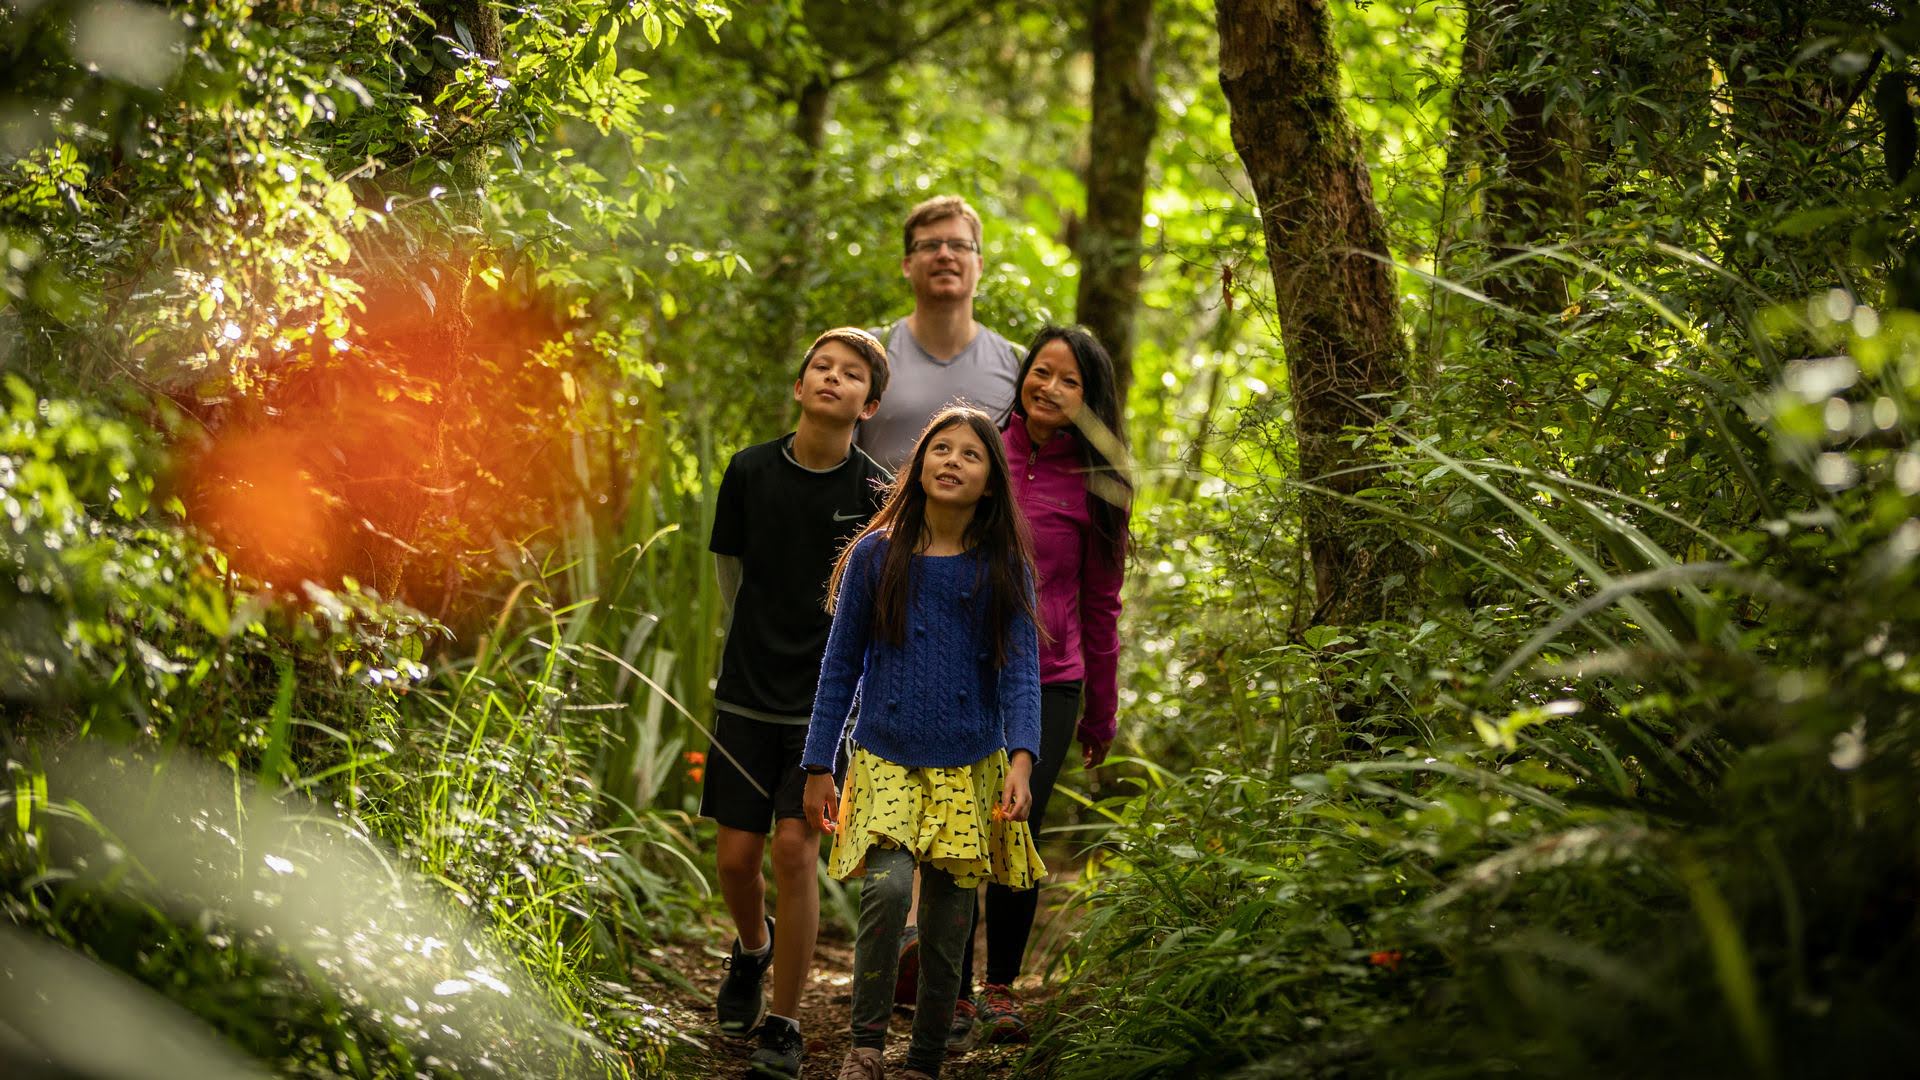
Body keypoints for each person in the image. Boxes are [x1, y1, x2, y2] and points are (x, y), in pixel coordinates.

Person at [801, 406, 1047, 1080]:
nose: (953, 461)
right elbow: (839, 665)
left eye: (972, 455)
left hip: (970, 763)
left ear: (991, 482)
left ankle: (927, 1057)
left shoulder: (1003, 567)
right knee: (885, 890)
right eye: (941, 448)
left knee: (949, 918)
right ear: (918, 465)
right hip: (883, 753)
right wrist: (820, 761)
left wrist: (1022, 759)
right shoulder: (877, 556)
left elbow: (1022, 670)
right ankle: (866, 1045)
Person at [703, 327, 892, 1079]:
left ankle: (783, 1024)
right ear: (800, 384)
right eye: (821, 367)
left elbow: (875, 603)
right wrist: (751, 645)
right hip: (747, 692)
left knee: (794, 850)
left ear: (869, 404)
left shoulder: (878, 491)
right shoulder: (749, 470)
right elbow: (731, 572)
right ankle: (753, 949)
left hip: (824, 706)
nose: (833, 379)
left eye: (851, 375)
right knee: (736, 858)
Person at [957, 324, 1133, 1045]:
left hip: (1051, 680)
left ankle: (1000, 986)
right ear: (1023, 374)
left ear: (1091, 400)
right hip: (962, 668)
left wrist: (1102, 708)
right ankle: (951, 987)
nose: (1050, 388)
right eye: (1042, 372)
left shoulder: (1104, 481)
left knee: (1014, 826)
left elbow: (1102, 602)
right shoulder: (979, 449)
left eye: (1071, 382)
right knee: (955, 823)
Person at [857, 195, 1023, 471]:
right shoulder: (867, 353)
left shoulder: (1019, 365)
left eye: (959, 245)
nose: (945, 255)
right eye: (930, 245)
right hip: (879, 514)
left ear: (979, 265)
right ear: (907, 265)